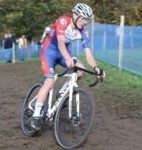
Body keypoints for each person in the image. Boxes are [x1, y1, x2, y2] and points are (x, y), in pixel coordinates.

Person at [31, 3, 105, 131]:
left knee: (80, 72)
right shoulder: (63, 21)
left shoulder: (83, 32)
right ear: (74, 15)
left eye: (87, 19)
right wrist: (68, 58)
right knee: (49, 83)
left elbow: (88, 53)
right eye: (82, 18)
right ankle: (36, 115)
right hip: (50, 52)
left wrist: (96, 68)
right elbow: (60, 42)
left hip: (64, 54)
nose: (84, 22)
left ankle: (62, 93)